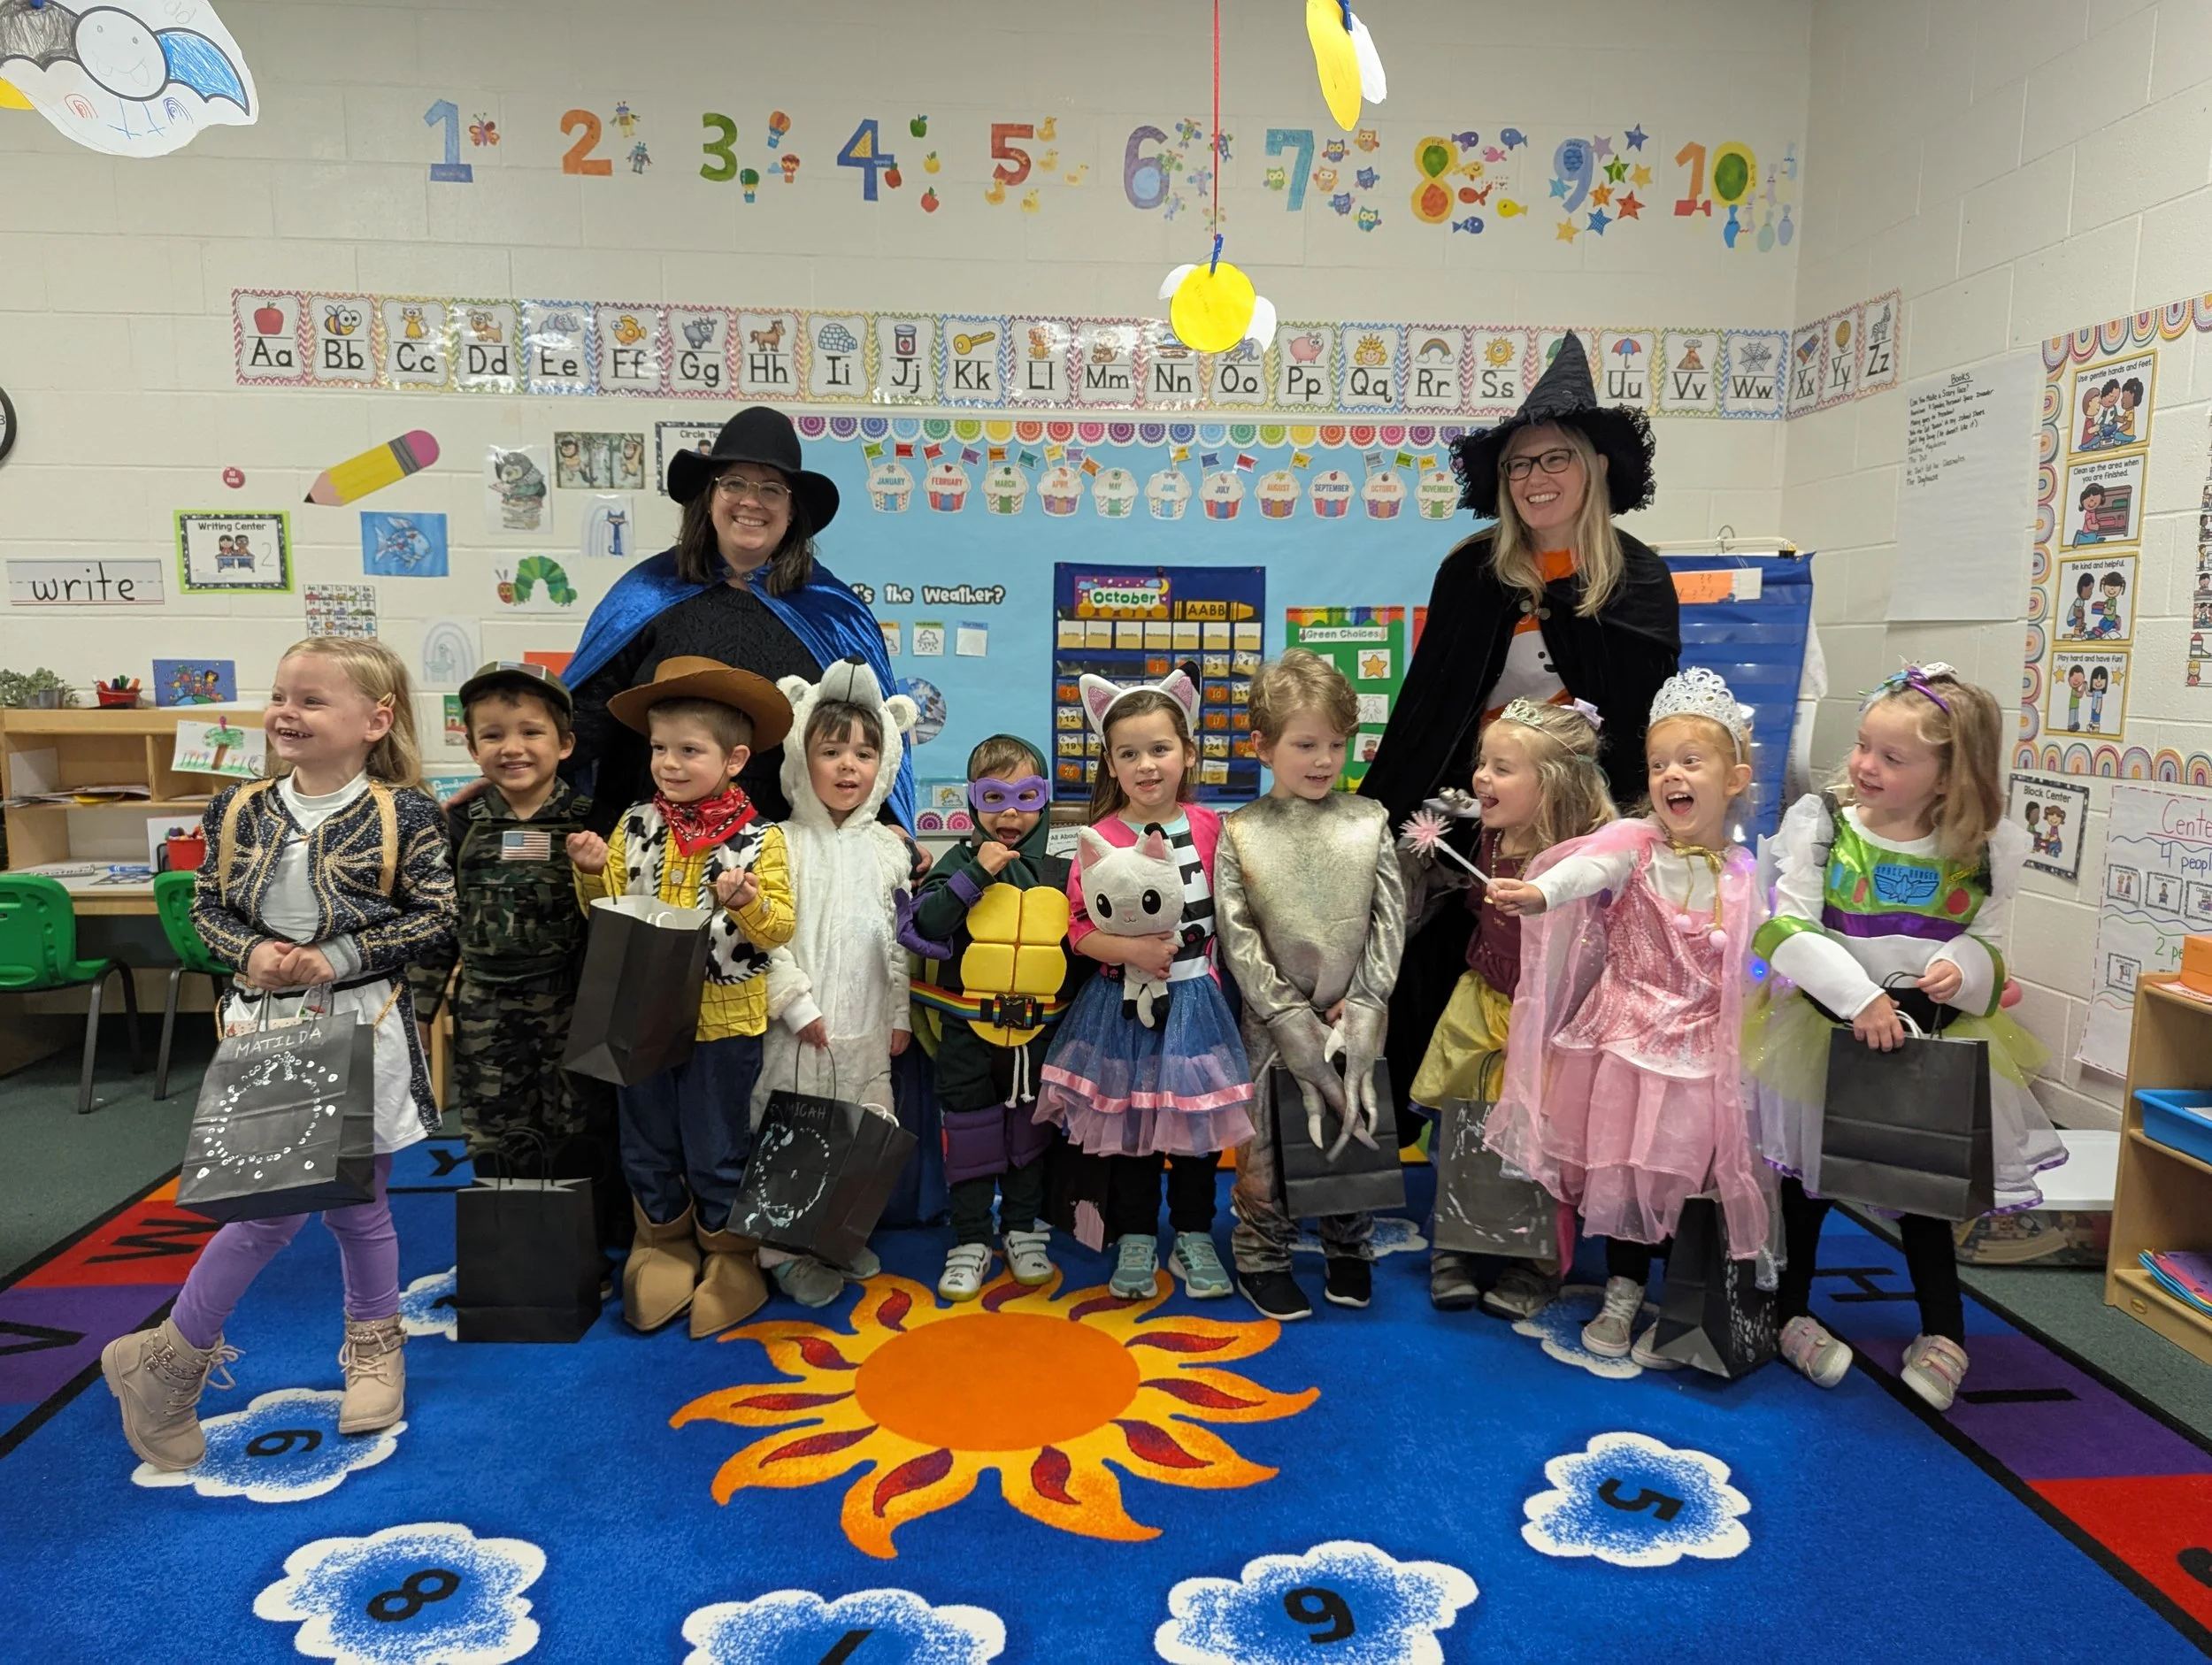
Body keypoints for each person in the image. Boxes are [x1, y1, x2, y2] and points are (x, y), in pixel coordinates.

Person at [102, 638, 457, 1470]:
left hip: (364, 1022)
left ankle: (375, 1348)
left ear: (376, 720)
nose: (286, 714)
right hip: (268, 1028)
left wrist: (338, 957)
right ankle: (167, 1360)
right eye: (280, 696)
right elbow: (209, 905)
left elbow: (436, 916)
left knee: (361, 1198)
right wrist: (248, 953)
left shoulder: (404, 813)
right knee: (270, 1210)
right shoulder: (239, 809)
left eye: (311, 700)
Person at [1361, 334, 1679, 1123]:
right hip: (1481, 812)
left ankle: (1564, 1156)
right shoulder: (1475, 572)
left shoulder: (1636, 579)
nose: (1535, 480)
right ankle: (1442, 1148)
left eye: (1555, 460)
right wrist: (1378, 816)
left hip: (1586, 825)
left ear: (1597, 466)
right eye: (1519, 465)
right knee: (1443, 966)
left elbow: (1647, 719)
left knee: (1578, 986)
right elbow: (1429, 706)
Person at [1746, 665, 2062, 1408]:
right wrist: (1857, 999)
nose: (1864, 766)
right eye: (1863, 747)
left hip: (1931, 1039)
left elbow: (1985, 940)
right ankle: (1790, 1310)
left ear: (1947, 778)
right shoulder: (1825, 825)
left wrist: (1962, 966)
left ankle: (1944, 1330)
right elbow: (1785, 925)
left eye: (1892, 758)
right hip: (1828, 1035)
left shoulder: (1982, 848)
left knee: (1924, 1188)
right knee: (1809, 1184)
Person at [1486, 667, 1768, 1369]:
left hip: (1698, 1054)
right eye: (1658, 763)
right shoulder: (1637, 846)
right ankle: (1622, 1287)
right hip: (1621, 1042)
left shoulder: (1743, 873)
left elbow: (1769, 950)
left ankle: (1681, 1302)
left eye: (1691, 762)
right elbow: (1584, 871)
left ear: (1733, 779)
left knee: (1678, 1177)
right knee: (1621, 1173)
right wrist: (1542, 893)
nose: (1671, 775)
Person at [565, 657, 795, 1338]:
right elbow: (602, 912)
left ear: (734, 760)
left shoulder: (763, 838)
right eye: (660, 748)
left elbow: (781, 926)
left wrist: (751, 901)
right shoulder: (635, 824)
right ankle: (661, 1243)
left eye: (688, 750)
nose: (668, 763)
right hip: (635, 1015)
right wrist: (587, 873)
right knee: (646, 1138)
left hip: (723, 1024)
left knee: (717, 1143)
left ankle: (730, 1254)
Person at [565, 405, 913, 830]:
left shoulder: (834, 614)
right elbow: (588, 714)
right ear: (709, 499)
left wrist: (890, 820)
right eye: (733, 483)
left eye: (771, 489)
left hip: (785, 857)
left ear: (791, 511)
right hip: (651, 847)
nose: (751, 501)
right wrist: (522, 781)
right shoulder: (647, 593)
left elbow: (869, 726)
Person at [1035, 671, 1256, 1301]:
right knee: (1130, 1132)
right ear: (1109, 762)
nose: (1146, 765)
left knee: (1193, 1134)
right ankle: (1135, 1234)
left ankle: (1192, 1233)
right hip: (1121, 1009)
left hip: (1197, 1003)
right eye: (1128, 753)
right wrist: (1129, 948)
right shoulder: (1098, 836)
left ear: (1188, 752)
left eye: (1160, 749)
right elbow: (1078, 930)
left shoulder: (1216, 829)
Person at [1409, 699, 1615, 1318]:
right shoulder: (1490, 837)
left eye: (1501, 769)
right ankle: (1455, 1243)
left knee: (1544, 1143)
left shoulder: (1590, 859)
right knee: (1461, 1128)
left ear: (1551, 785)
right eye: (1483, 764)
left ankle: (1537, 1260)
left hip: (1552, 1023)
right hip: (1483, 1003)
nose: (1481, 779)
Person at [1215, 650, 1405, 1321]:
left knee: (1352, 1120)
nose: (1324, 759)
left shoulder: (1369, 821)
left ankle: (1347, 1243)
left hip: (1352, 1012)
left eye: (1335, 743)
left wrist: (1368, 998)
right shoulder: (1239, 833)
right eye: (1305, 744)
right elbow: (1238, 936)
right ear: (1261, 746)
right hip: (1274, 1021)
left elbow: (1388, 919)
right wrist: (1285, 1013)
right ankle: (1262, 1252)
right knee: (1266, 1140)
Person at [407, 663, 617, 1240]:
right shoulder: (457, 827)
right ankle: (514, 1248)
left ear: (565, 744)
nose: (513, 748)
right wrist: (418, 1017)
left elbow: (621, 922)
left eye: (531, 732)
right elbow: (437, 927)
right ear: (472, 747)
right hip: (485, 1014)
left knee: (578, 1128)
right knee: (495, 1131)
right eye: (493, 735)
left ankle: (578, 1249)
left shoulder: (595, 823)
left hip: (571, 1012)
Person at [751, 658, 917, 1307]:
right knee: (793, 1132)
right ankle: (784, 1250)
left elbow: (899, 941)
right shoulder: (778, 843)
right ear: (801, 757)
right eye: (831, 750)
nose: (849, 766)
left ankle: (838, 1235)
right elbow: (763, 938)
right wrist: (793, 1005)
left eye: (865, 752)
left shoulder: (889, 849)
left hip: (869, 1025)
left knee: (864, 1131)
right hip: (801, 1028)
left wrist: (899, 1015)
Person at [906, 737, 1080, 1301]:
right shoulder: (957, 862)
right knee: (970, 1130)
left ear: (1045, 800)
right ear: (972, 799)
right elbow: (928, 926)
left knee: (1030, 1131)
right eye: (994, 795)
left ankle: (1024, 1229)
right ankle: (972, 1236)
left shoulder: (1060, 871)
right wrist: (974, 876)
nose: (1010, 811)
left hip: (1038, 1034)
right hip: (965, 1031)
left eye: (1027, 795)